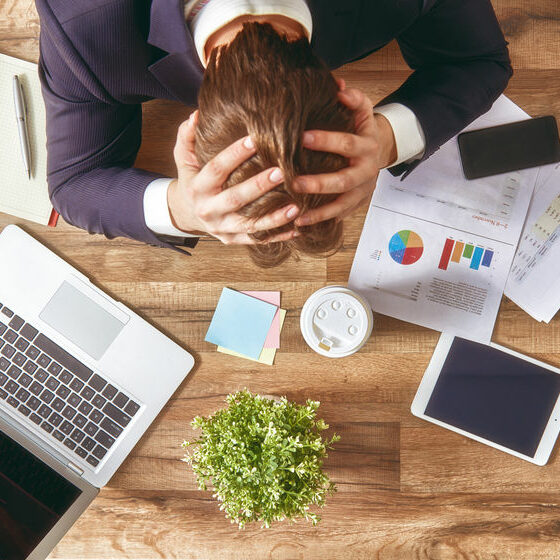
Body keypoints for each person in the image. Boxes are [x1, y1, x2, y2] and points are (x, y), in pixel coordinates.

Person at [36, 0, 512, 259]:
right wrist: (185, 207)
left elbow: (481, 60)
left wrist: (387, 139)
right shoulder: (83, 25)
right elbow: (73, 183)